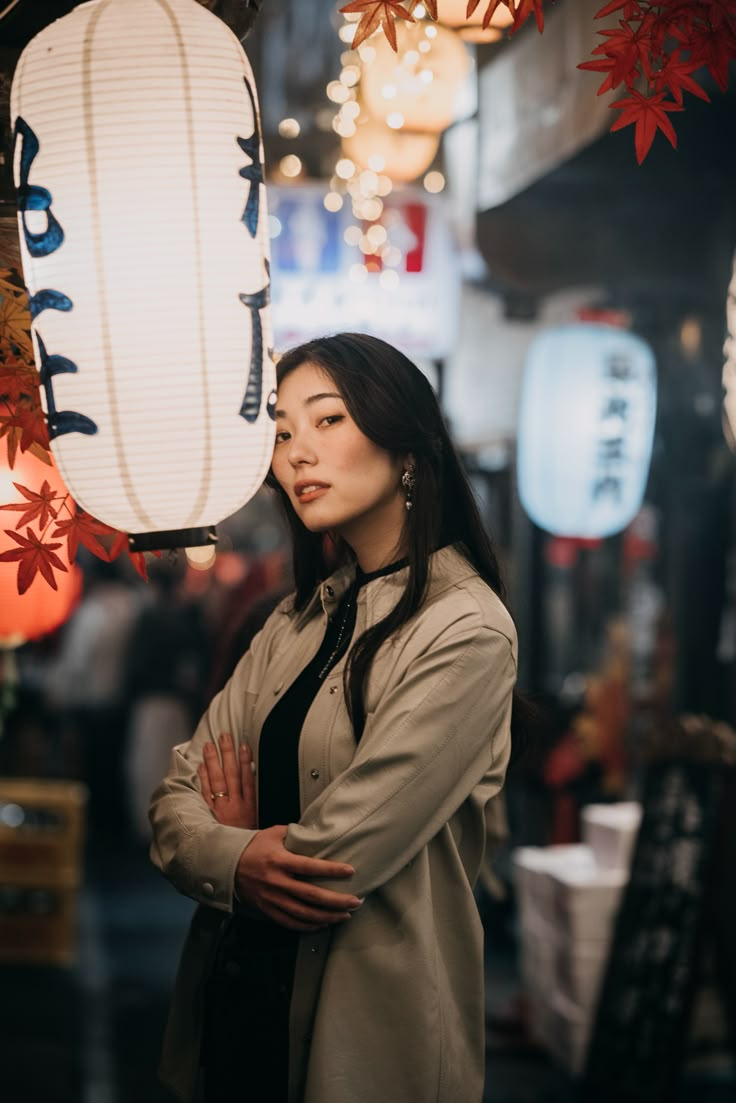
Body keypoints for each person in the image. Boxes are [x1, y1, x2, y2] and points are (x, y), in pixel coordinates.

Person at [149, 332, 519, 1103]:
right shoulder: (296, 618)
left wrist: (231, 845)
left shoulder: (466, 630)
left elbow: (336, 860)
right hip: (238, 1006)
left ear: (406, 447)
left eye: (328, 420)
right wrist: (243, 855)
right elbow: (172, 798)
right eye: (281, 431)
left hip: (367, 1040)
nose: (296, 454)